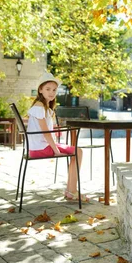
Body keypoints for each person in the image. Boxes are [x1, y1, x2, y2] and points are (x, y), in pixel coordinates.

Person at [27, 71, 85, 201]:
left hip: (40, 147)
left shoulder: (44, 106)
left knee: (76, 152)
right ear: (40, 90)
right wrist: (56, 150)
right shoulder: (39, 107)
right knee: (78, 152)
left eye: (54, 90)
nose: (51, 93)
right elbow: (46, 133)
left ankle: (71, 190)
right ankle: (72, 190)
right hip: (40, 148)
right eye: (47, 89)